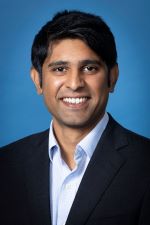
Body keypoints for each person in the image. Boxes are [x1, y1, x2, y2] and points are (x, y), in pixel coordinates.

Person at [0, 10, 150, 225]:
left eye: (89, 68)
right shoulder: (6, 164)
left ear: (112, 77)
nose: (74, 83)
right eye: (60, 69)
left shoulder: (145, 164)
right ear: (37, 80)